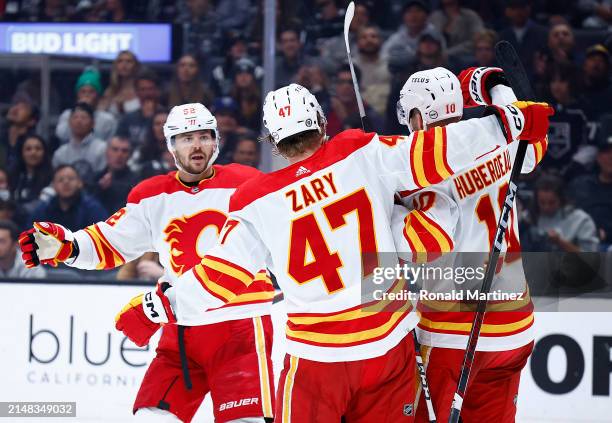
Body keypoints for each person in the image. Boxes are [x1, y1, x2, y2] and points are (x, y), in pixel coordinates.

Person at [110, 83, 552, 421]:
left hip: (316, 360)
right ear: (322, 122)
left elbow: (217, 281)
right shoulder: (359, 150)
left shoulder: (253, 199)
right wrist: (508, 123)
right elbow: (436, 152)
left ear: (271, 138)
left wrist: (154, 307)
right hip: (387, 349)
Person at [20, 103, 275, 423]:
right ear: (170, 145)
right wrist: (68, 247)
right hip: (181, 334)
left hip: (241, 329)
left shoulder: (248, 183)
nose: (196, 145)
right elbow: (110, 242)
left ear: (216, 142)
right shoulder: (151, 195)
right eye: (185, 138)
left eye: (203, 136)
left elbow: (281, 241)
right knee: (150, 418)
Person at [392, 66, 548, 422]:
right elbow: (534, 142)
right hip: (514, 326)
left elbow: (423, 241)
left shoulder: (417, 161)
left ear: (419, 114)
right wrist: (494, 84)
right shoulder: (500, 138)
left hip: (452, 330)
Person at [529, 174, 599, 253]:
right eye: (542, 202)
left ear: (561, 199)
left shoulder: (582, 220)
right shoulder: (530, 217)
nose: (546, 207)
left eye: (552, 202)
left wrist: (560, 242)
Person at [30, 165, 108, 231]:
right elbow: (30, 234)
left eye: (71, 179)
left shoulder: (93, 208)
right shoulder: (45, 209)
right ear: (54, 186)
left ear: (80, 183)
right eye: (60, 180)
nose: (66, 182)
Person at [569, 129, 612, 246]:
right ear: (598, 157)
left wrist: (606, 233)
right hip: (578, 245)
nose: (610, 157)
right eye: (606, 152)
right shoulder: (579, 184)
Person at [55, 67, 117, 144]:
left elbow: (110, 143)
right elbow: (62, 135)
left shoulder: (107, 119)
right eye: (83, 92)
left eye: (91, 92)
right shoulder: (67, 114)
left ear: (98, 95)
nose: (86, 95)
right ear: (77, 94)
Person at [52, 103, 108, 179]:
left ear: (93, 123)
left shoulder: (103, 148)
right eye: (75, 117)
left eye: (84, 118)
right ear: (69, 122)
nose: (79, 121)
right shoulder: (60, 153)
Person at [382, 0, 445, 67]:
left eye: (418, 11)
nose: (414, 15)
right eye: (409, 11)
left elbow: (443, 57)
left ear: (426, 15)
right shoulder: (396, 38)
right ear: (403, 16)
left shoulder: (434, 35)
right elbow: (383, 57)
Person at [326, 64, 383, 136]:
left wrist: (345, 119)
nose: (346, 87)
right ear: (335, 86)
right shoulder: (325, 111)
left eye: (351, 82)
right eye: (341, 82)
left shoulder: (370, 116)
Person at [116, 68, 164, 148]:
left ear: (157, 90)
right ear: (136, 92)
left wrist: (150, 117)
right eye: (143, 89)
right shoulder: (127, 118)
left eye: (150, 89)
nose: (147, 93)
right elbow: (119, 142)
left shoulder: (168, 116)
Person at [498, 0, 547, 75]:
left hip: (536, 79)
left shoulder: (542, 33)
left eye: (522, 7)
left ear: (528, 9)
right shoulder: (502, 36)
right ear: (507, 11)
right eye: (514, 8)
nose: (518, 12)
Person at [93, 136, 139, 214]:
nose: (119, 154)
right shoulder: (95, 178)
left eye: (124, 151)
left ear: (130, 155)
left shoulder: (136, 182)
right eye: (115, 149)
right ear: (107, 152)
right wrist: (100, 189)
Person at [352, 25, 391, 116]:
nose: (369, 40)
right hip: (360, 115)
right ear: (357, 42)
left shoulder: (391, 63)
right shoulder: (350, 66)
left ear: (381, 41)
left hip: (390, 114)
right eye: (364, 37)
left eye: (373, 36)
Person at [9, 135, 53, 216]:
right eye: (28, 149)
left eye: (38, 149)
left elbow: (43, 204)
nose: (33, 152)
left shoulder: (52, 177)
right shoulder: (13, 175)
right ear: (21, 152)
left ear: (44, 152)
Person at [0, 98, 39, 171]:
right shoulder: (2, 137)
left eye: (23, 108)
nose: (16, 108)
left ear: (31, 121)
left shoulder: (32, 146)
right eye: (15, 105)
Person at [98, 50, 141, 117]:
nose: (124, 65)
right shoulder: (110, 92)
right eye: (120, 61)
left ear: (135, 66)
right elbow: (100, 113)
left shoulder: (142, 90)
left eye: (129, 61)